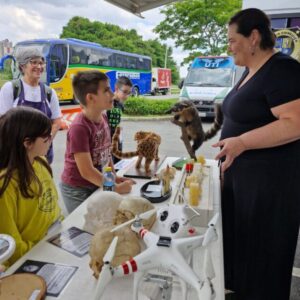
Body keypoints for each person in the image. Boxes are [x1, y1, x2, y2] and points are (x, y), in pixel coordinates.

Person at [212, 8, 300, 300]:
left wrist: (242, 143)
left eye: (232, 40)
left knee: (264, 259)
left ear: (253, 37)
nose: (229, 46)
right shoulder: (250, 71)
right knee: (244, 255)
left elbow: (295, 123)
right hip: (244, 184)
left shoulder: (282, 69)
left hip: (269, 189)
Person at [60, 71, 134, 214]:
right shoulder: (79, 127)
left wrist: (114, 178)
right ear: (91, 98)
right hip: (77, 189)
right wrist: (115, 188)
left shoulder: (103, 118)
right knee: (86, 227)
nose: (113, 94)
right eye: (106, 90)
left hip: (97, 181)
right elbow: (87, 172)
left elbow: (106, 154)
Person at [0, 107, 61, 266]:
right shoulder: (5, 184)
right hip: (29, 260)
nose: (51, 139)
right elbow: (9, 245)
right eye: (46, 137)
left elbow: (52, 206)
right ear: (28, 142)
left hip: (53, 245)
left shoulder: (41, 161)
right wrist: (42, 249)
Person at [0, 48, 61, 164]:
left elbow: (57, 122)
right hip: (16, 154)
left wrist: (45, 141)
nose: (39, 66)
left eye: (41, 62)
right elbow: (3, 122)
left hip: (43, 155)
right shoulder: (11, 88)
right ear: (22, 66)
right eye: (34, 62)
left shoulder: (49, 92)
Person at [106, 76, 133, 164]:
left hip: (118, 141)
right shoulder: (107, 102)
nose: (126, 96)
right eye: (125, 92)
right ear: (116, 88)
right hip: (107, 142)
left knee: (118, 166)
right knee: (109, 168)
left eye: (129, 93)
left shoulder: (120, 104)